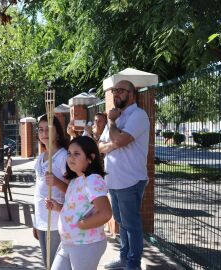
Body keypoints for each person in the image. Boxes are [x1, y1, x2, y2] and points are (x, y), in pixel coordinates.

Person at [99, 80, 150, 270]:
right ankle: (124, 259)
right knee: (122, 223)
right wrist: (115, 143)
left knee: (132, 224)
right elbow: (100, 146)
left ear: (132, 93)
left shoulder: (138, 115)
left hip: (130, 180)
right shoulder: (118, 117)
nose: (116, 94)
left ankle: (133, 264)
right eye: (114, 90)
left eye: (121, 90)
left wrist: (111, 124)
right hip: (114, 180)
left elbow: (119, 139)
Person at [46, 136, 112, 270]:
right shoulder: (75, 180)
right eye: (69, 153)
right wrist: (58, 208)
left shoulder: (93, 180)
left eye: (77, 154)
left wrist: (81, 224)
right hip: (68, 243)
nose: (71, 157)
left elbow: (105, 213)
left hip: (86, 244)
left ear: (90, 158)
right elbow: (75, 208)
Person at [33, 115, 69, 269]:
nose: (44, 133)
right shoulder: (41, 157)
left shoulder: (63, 157)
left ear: (58, 133)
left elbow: (73, 191)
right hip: (42, 219)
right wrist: (35, 222)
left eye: (48, 129)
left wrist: (56, 182)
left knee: (56, 264)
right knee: (47, 263)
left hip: (55, 220)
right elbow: (38, 191)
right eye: (41, 130)